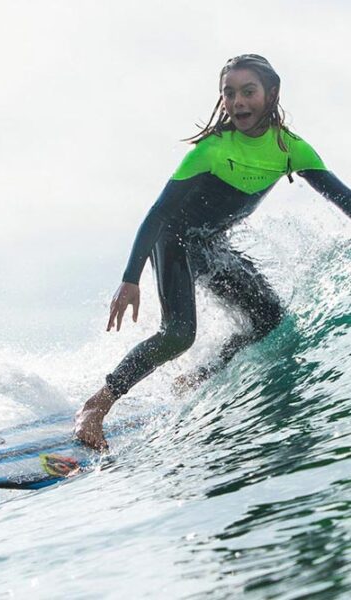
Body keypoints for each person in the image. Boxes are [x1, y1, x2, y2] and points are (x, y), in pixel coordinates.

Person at [75, 54, 351, 451]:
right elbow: (159, 213)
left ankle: (197, 377)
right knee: (178, 334)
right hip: (173, 240)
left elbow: (344, 199)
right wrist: (130, 278)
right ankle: (96, 407)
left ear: (270, 94)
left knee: (269, 320)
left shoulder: (293, 150)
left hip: (208, 246)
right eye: (229, 93)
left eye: (248, 92)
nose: (238, 101)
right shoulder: (212, 149)